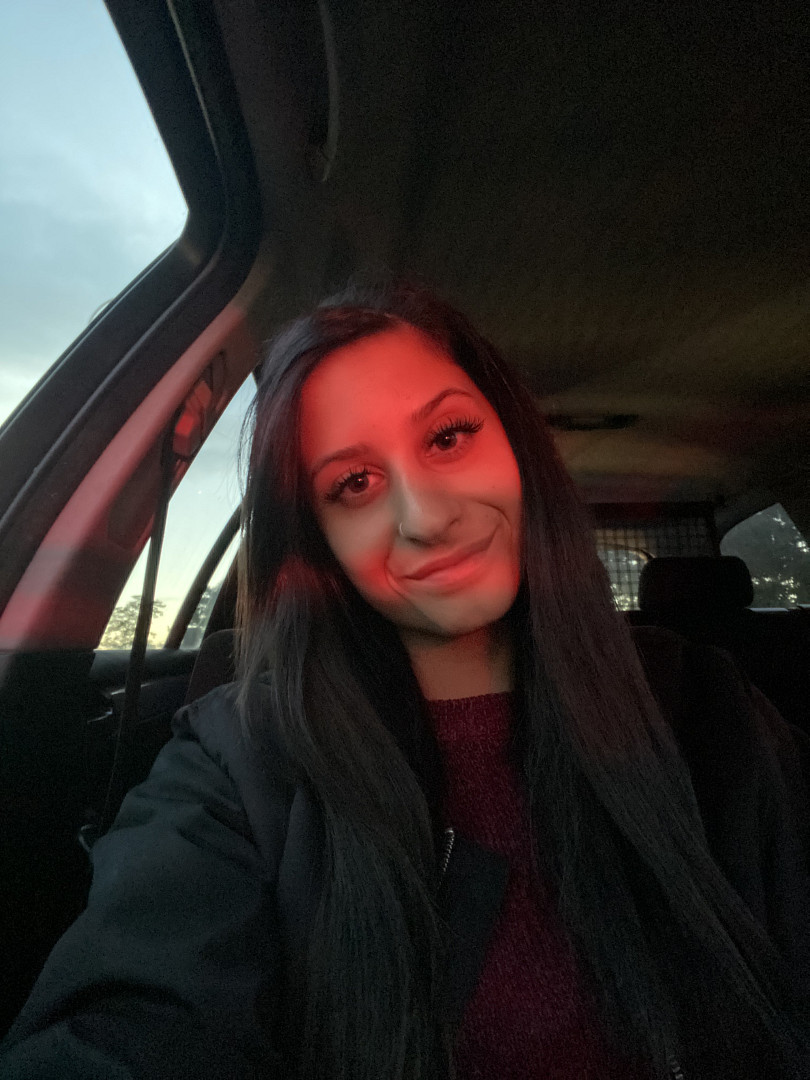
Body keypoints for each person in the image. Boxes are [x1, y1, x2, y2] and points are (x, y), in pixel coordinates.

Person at [2, 281, 809, 1080]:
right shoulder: (238, 767)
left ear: (514, 444)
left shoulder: (707, 710)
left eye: (449, 436)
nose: (425, 516)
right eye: (354, 484)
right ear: (319, 542)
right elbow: (134, 1019)